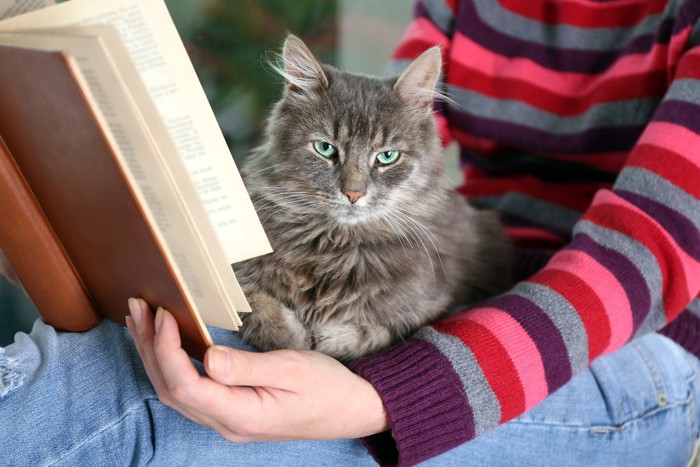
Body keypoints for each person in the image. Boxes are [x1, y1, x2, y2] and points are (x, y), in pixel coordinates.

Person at [2, 0, 700, 465]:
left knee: (125, 398)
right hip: (481, 266)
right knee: (106, 355)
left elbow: (643, 258)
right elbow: (395, 111)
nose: (356, 185)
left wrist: (383, 396)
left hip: (634, 336)